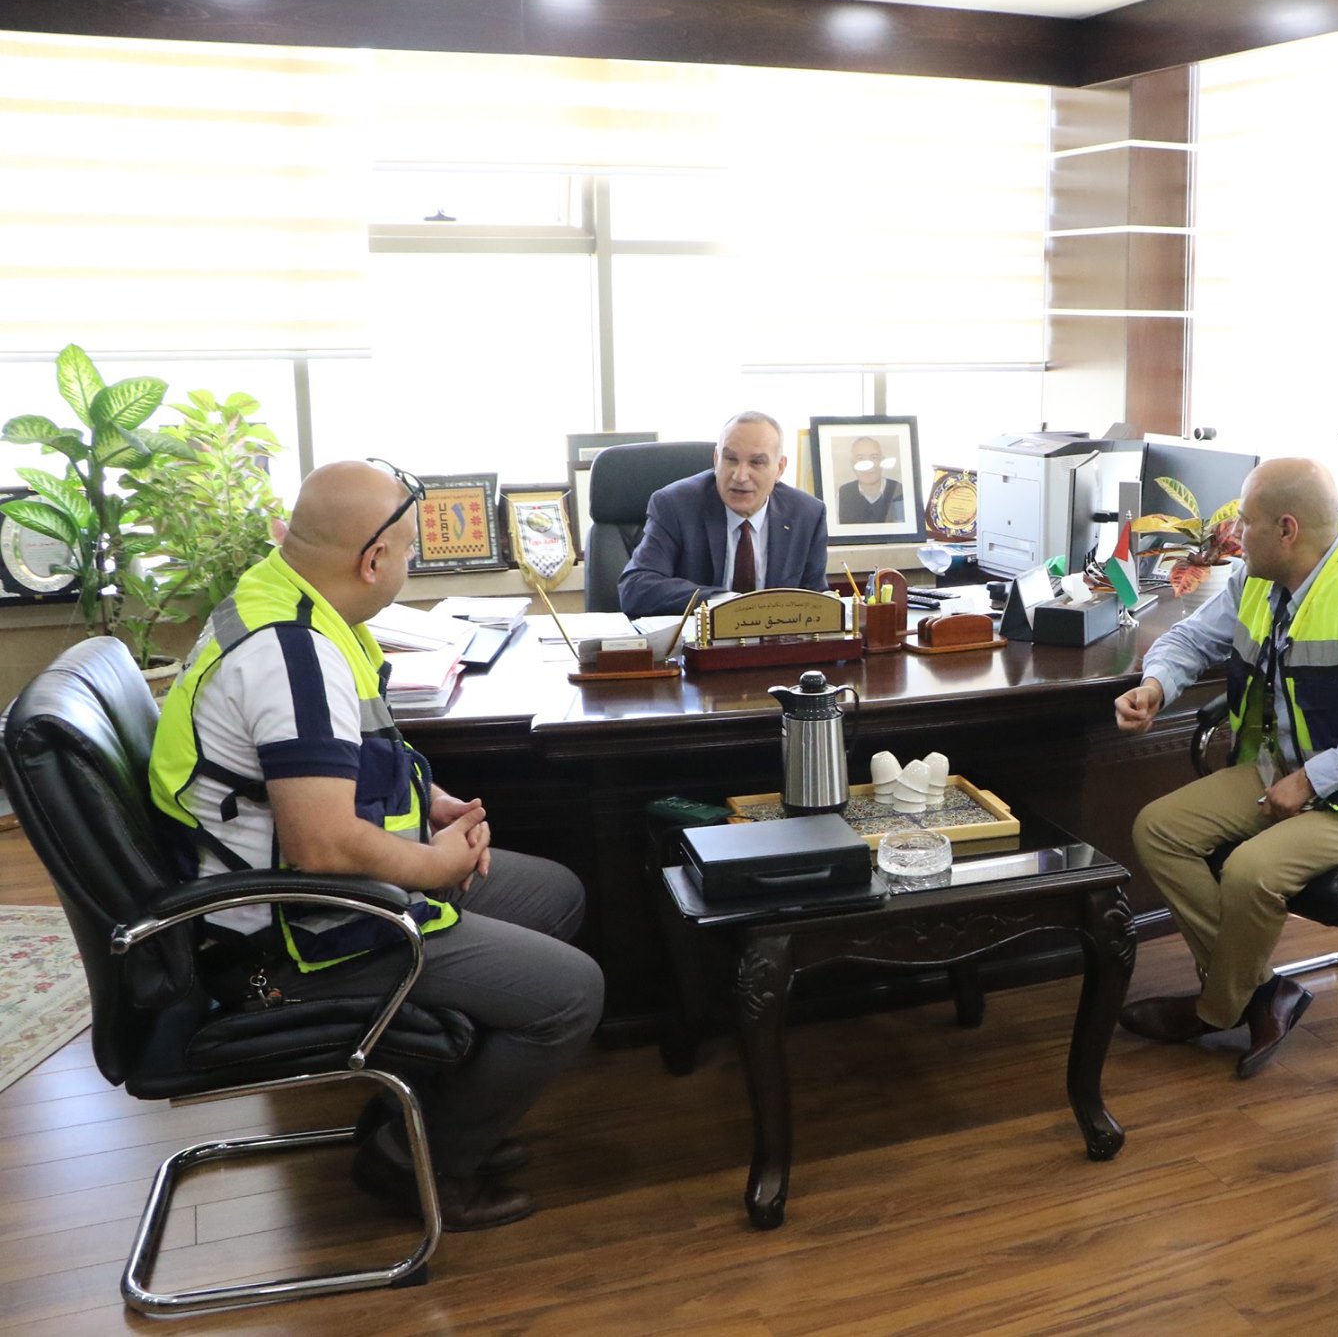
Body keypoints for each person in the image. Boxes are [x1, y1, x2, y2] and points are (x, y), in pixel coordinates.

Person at [150, 460, 606, 1231]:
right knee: (572, 995)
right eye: (409, 552)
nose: (409, 564)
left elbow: (348, 756)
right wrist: (435, 863)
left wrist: (432, 802)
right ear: (374, 560)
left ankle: (432, 1110)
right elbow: (321, 842)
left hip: (310, 898)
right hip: (293, 938)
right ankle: (415, 1161)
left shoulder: (291, 600)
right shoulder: (293, 655)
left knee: (555, 893)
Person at [1112, 458, 1338, 1077]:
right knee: (1158, 829)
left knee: (1251, 872)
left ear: (1286, 529)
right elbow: (1190, 640)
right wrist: (1156, 684)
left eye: (1246, 521)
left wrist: (1314, 778)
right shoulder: (1256, 580)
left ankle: (1216, 1009)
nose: (1235, 534)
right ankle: (1262, 990)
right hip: (1279, 769)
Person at [617, 411, 829, 617]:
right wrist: (724, 603)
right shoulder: (675, 506)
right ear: (716, 459)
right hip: (696, 639)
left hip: (775, 639)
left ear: (779, 468)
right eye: (730, 459)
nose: (740, 476)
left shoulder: (807, 515)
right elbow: (636, 588)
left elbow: (816, 599)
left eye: (756, 462)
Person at [834, 435, 904, 524]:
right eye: (860, 458)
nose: (868, 465)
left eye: (874, 457)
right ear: (852, 463)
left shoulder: (899, 491)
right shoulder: (842, 494)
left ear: (882, 461)